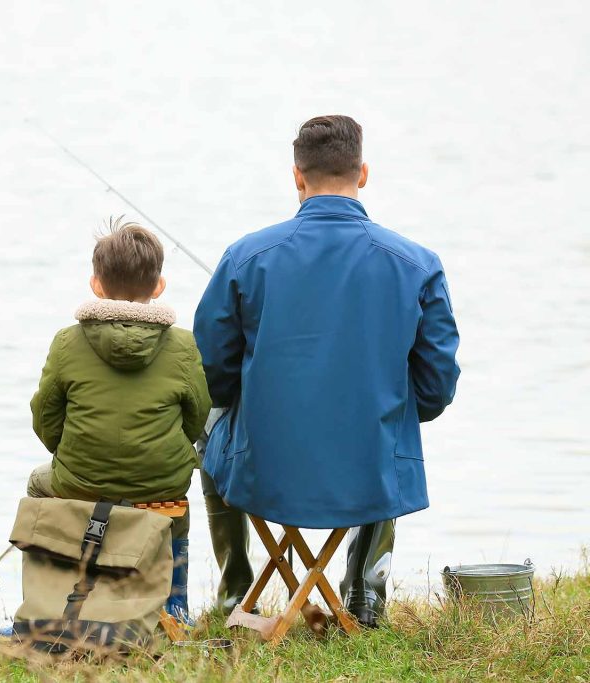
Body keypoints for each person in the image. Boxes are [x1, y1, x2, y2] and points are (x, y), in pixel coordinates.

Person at [193, 115, 461, 626]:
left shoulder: (246, 256)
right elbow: (437, 384)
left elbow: (212, 374)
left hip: (265, 472)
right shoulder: (418, 264)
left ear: (298, 176)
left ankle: (235, 594)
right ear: (362, 173)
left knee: (205, 427)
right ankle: (364, 595)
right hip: (369, 470)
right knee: (392, 423)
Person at [28, 217, 212, 624]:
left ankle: (53, 604)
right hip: (160, 483)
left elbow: (45, 418)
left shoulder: (67, 341)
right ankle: (173, 606)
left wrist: (71, 452)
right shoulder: (182, 345)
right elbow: (197, 418)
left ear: (95, 283)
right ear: (159, 285)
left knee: (38, 484)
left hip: (80, 482)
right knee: (178, 506)